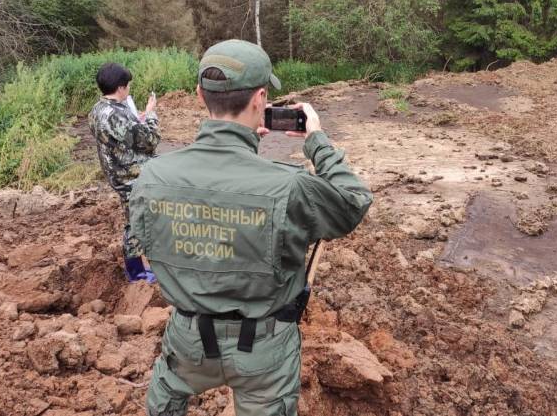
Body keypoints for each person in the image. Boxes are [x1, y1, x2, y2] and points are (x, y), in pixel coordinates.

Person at [128, 39, 373, 416]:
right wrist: (317, 141)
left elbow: (145, 244)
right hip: (265, 348)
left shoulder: (152, 176)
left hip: (188, 340)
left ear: (199, 95)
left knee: (165, 401)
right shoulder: (290, 186)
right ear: (260, 99)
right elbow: (353, 201)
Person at [89, 62, 160, 283]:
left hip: (118, 172)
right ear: (121, 87)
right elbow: (150, 141)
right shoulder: (115, 114)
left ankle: (137, 269)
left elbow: (123, 137)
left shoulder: (98, 109)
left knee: (134, 217)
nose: (128, 89)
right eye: (127, 85)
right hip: (130, 175)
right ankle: (138, 273)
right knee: (137, 220)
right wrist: (150, 115)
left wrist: (136, 121)